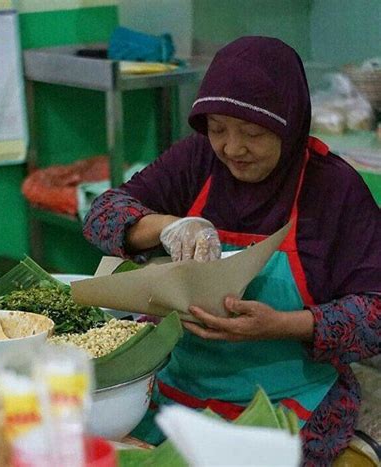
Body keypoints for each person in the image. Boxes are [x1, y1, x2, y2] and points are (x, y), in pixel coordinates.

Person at [83, 36, 381, 465]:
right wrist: (168, 227)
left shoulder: (333, 189)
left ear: (289, 125)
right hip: (177, 389)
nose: (231, 149)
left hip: (292, 399)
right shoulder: (198, 161)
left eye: (253, 133)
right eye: (218, 128)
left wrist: (283, 324)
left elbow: (375, 315)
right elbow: (102, 216)